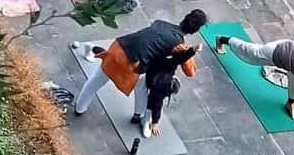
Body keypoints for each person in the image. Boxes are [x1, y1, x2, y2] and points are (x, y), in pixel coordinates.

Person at [73, 10, 208, 118]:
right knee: (142, 86)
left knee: (96, 80)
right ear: (195, 30)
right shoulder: (180, 44)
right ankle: (139, 114)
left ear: (185, 18)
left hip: (118, 48)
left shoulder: (160, 23)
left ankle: (80, 107)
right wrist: (193, 50)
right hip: (131, 64)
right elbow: (190, 71)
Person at [140, 43, 200, 138]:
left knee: (154, 100)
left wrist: (193, 50)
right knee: (154, 101)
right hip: (149, 74)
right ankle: (146, 119)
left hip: (154, 68)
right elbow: (157, 105)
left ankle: (147, 118)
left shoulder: (171, 62)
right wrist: (155, 122)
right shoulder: (158, 90)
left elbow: (181, 58)